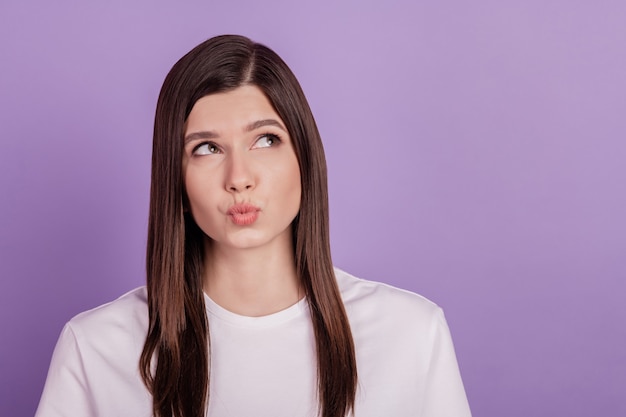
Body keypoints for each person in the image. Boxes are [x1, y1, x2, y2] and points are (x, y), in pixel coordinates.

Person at [35, 34, 471, 417]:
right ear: (176, 180)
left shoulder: (411, 333)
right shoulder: (95, 349)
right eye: (206, 148)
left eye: (265, 140)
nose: (239, 177)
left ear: (305, 159)